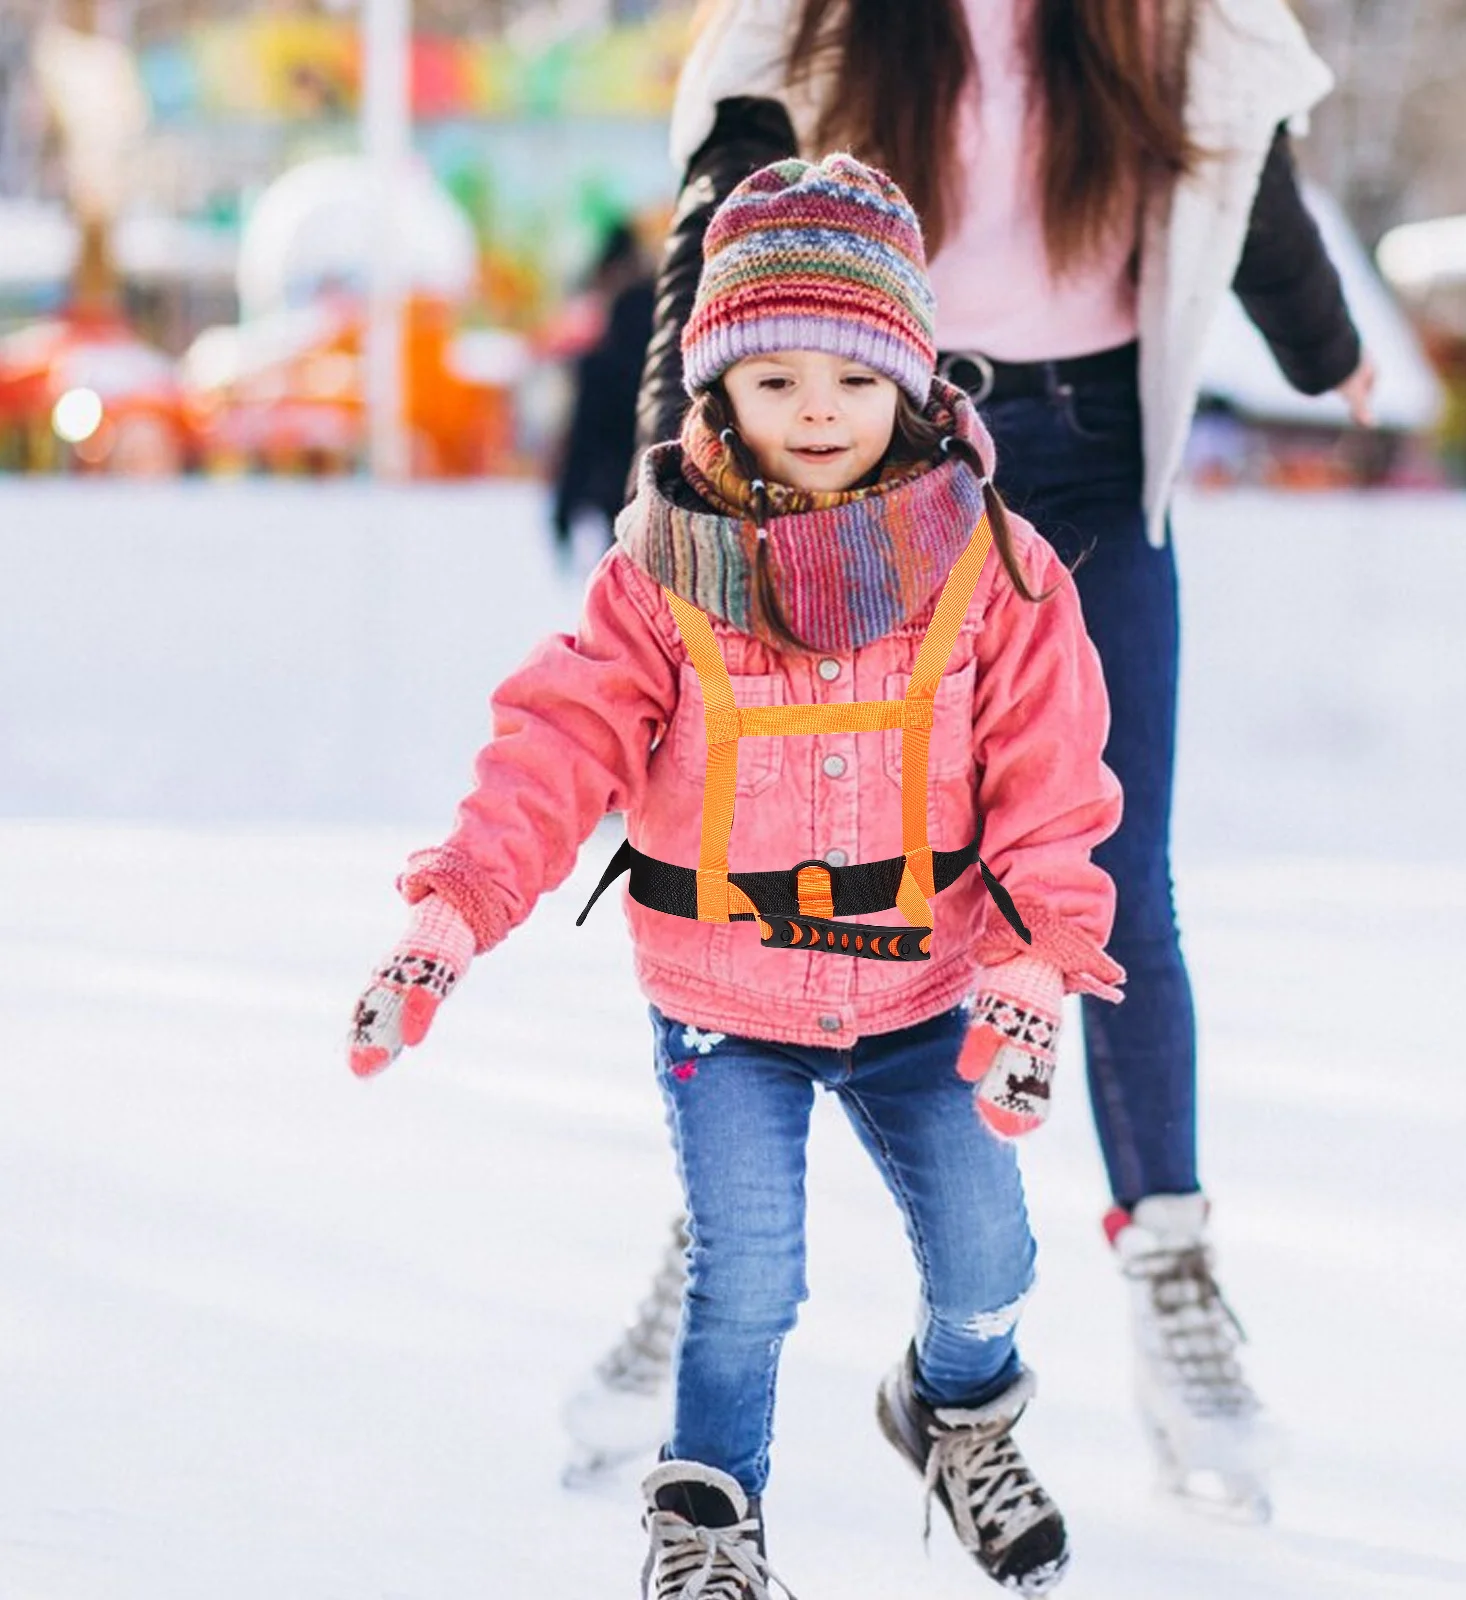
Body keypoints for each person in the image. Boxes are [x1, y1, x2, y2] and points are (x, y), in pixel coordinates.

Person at [564, 0, 1376, 1521]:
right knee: (783, 835)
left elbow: (1244, 167)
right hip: (858, 444)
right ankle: (709, 1246)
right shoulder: (815, 23)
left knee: (1114, 878)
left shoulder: (1162, 19)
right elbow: (720, 229)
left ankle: (1173, 1273)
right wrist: (666, 493)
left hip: (1091, 442)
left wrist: (1323, 348)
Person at [348, 153, 1126, 1596]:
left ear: (912, 376)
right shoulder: (661, 570)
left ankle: (955, 1414)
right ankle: (707, 1526)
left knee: (989, 1261)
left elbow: (1051, 779)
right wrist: (450, 915)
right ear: (715, 391)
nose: (815, 408)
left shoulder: (992, 569)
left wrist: (1030, 961)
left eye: (849, 373)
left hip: (932, 993)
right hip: (726, 1004)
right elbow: (558, 745)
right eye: (772, 380)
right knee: (747, 1279)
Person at [550, 221, 657, 563]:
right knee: (676, 604)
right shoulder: (679, 370)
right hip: (667, 517)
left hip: (619, 513)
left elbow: (582, 441)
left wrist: (564, 511)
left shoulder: (600, 368)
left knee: (626, 601)